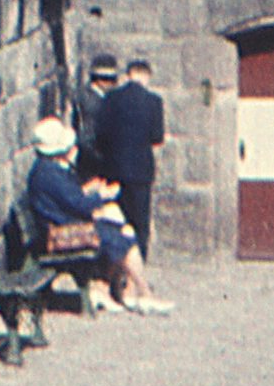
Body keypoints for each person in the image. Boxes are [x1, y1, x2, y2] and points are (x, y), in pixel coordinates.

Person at [23, 120, 170, 310]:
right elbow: (80, 206)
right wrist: (102, 195)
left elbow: (68, 199)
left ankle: (112, 289)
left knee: (120, 232)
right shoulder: (50, 174)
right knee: (123, 238)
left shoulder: (47, 170)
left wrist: (89, 191)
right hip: (61, 233)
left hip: (61, 225)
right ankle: (143, 293)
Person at [89, 53, 167, 260]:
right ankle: (138, 259)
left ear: (128, 75)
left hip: (113, 167)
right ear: (146, 77)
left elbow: (101, 133)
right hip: (141, 171)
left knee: (115, 216)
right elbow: (157, 137)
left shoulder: (111, 98)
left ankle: (115, 260)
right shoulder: (154, 101)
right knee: (140, 220)